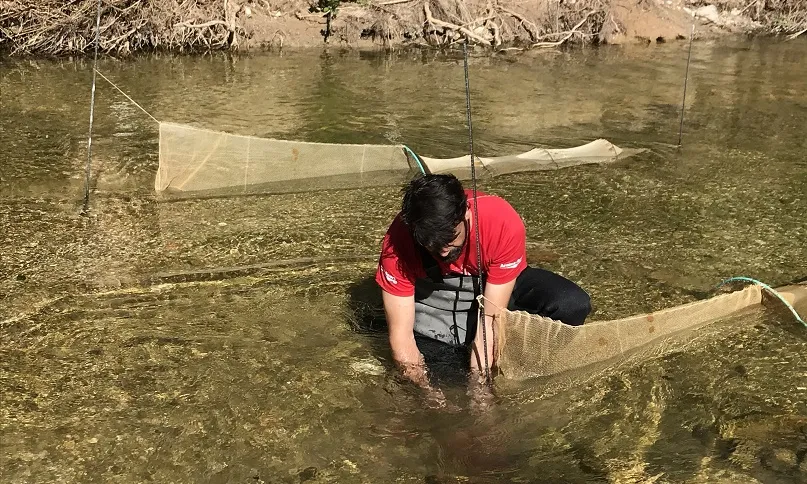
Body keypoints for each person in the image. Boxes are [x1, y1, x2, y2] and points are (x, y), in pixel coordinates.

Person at [375, 174, 591, 407]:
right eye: (433, 244)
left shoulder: (501, 220)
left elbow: (489, 320)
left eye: (451, 238)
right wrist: (426, 391)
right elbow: (401, 336)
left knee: (572, 304)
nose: (445, 252)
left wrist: (480, 390)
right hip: (437, 299)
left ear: (466, 214)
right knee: (448, 384)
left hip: (497, 286)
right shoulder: (397, 242)